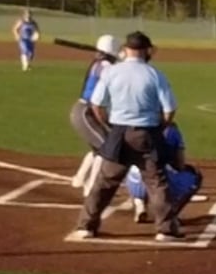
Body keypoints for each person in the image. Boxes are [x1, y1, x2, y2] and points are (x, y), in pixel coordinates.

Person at [76, 31, 183, 242]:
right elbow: (169, 109)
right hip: (147, 133)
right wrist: (160, 127)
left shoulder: (111, 72)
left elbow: (97, 105)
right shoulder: (155, 74)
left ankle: (86, 226)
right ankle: (165, 229)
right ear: (146, 50)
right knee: (157, 183)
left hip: (119, 133)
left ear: (125, 50)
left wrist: (109, 124)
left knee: (105, 182)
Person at [127, 120, 202, 223]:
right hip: (156, 180)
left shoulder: (134, 126)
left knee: (133, 168)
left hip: (134, 180)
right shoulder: (171, 131)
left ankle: (139, 203)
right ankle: (171, 214)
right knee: (195, 176)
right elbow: (180, 164)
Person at [68, 34, 117, 191]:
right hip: (85, 112)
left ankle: (79, 179)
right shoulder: (105, 66)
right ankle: (91, 187)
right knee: (105, 149)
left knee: (98, 148)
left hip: (84, 111)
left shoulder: (99, 63)